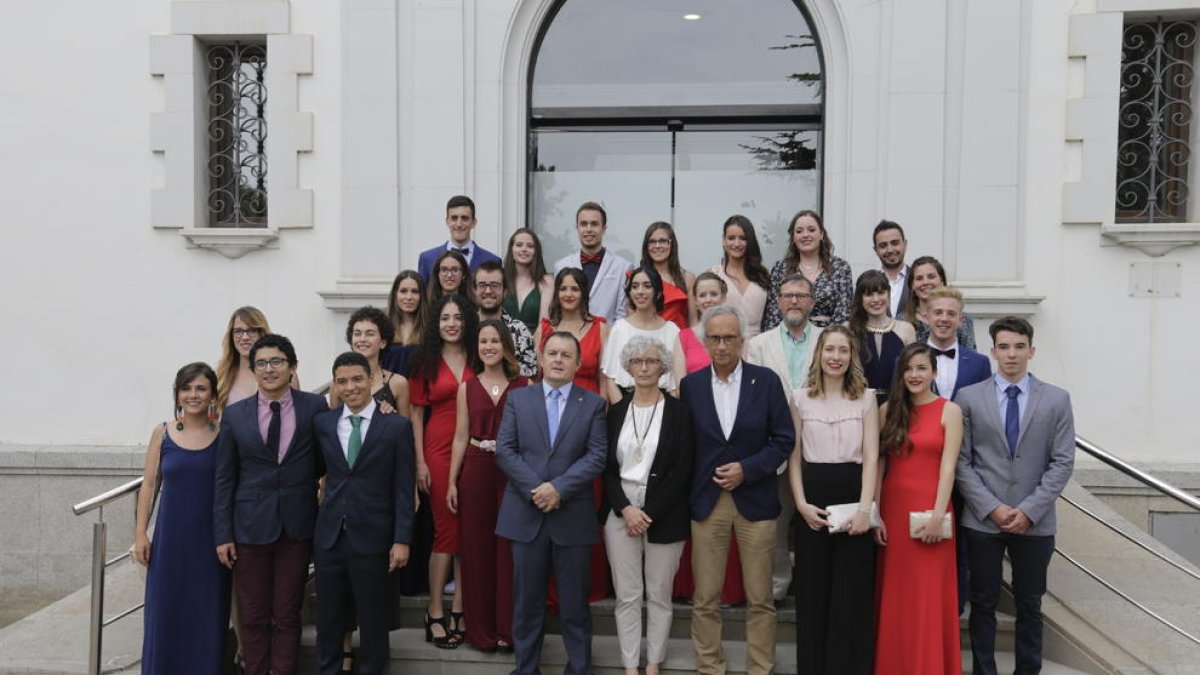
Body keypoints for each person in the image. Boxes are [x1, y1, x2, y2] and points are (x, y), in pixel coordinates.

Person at [956, 317, 1075, 675]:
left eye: (1019, 347)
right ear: (993, 351)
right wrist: (992, 507)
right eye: (1004, 347)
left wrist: (1029, 510)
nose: (1012, 354)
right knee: (983, 602)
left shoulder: (1056, 399)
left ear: (1031, 351)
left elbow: (1062, 461)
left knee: (1029, 604)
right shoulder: (969, 397)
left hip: (1035, 522)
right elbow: (961, 461)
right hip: (983, 520)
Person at [681, 306, 795, 675]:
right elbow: (685, 446)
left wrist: (747, 469)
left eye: (729, 338)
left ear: (742, 341)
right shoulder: (691, 386)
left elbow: (784, 440)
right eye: (715, 338)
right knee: (705, 596)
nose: (722, 345)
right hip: (708, 501)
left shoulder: (767, 382)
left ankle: (760, 667)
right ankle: (709, 666)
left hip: (756, 500)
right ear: (705, 341)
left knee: (760, 597)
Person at [495, 331, 608, 675]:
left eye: (566, 355)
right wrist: (538, 490)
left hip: (571, 515)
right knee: (527, 603)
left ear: (578, 363)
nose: (558, 360)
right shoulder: (518, 399)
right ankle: (526, 669)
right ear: (541, 359)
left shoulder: (593, 404)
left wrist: (558, 489)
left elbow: (597, 456)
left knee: (574, 605)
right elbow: (505, 450)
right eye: (553, 353)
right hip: (525, 514)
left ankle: (579, 668)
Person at [213, 334, 327, 675]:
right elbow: (224, 478)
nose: (269, 369)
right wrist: (223, 534)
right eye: (261, 363)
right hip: (248, 528)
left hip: (297, 525)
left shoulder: (314, 408)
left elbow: (324, 460)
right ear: (253, 369)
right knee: (254, 615)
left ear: (292, 367)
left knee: (287, 613)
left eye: (277, 361)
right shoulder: (235, 415)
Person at [313, 352, 416, 675]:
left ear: (371, 379)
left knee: (374, 621)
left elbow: (403, 488)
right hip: (330, 536)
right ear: (335, 385)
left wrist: (402, 539)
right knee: (328, 619)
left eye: (357, 379)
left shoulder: (396, 426)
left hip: (374, 536)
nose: (351, 387)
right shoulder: (323, 424)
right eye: (342, 381)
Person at [600, 336, 693, 675]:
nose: (644, 367)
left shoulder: (679, 412)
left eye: (651, 361)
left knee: (659, 594)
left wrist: (648, 512)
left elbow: (683, 469)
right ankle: (629, 665)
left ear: (663, 367)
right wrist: (626, 508)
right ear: (628, 366)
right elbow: (606, 467)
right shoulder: (616, 412)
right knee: (627, 595)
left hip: (663, 512)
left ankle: (653, 663)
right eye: (637, 361)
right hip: (621, 510)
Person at [790, 325, 880, 675]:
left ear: (852, 356)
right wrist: (800, 504)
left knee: (851, 593)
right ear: (819, 354)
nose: (836, 357)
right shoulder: (800, 398)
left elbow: (871, 458)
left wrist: (865, 509)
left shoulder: (866, 399)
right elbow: (794, 458)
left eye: (843, 350)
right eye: (830, 349)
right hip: (813, 501)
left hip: (853, 500)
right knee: (813, 593)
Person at [874, 343, 964, 675]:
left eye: (922, 368)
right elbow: (878, 464)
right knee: (897, 595)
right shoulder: (887, 410)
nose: (914, 375)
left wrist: (939, 514)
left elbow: (949, 468)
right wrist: (875, 513)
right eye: (908, 369)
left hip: (933, 511)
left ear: (934, 372)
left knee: (928, 596)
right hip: (893, 511)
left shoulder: (950, 411)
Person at [135, 362, 230, 674]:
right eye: (186, 388)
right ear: (177, 394)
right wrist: (140, 533)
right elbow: (149, 485)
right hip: (169, 543)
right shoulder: (162, 433)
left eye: (201, 388)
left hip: (210, 542)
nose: (193, 395)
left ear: (213, 395)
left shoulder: (224, 434)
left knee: (206, 614)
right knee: (166, 611)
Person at [446, 319, 528, 653]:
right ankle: (480, 632)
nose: (489, 347)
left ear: (506, 345)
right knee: (476, 550)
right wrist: (452, 481)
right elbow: (460, 436)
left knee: (509, 551)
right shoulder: (467, 387)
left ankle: (508, 630)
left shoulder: (524, 385)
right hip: (477, 469)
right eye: (483, 342)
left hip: (512, 473)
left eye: (495, 341)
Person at [743, 272, 822, 604]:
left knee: (816, 519)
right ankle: (777, 587)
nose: (794, 301)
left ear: (812, 302)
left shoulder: (829, 340)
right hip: (774, 448)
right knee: (776, 521)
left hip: (819, 449)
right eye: (788, 295)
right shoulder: (758, 345)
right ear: (777, 302)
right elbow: (751, 400)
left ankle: (811, 584)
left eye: (801, 296)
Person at [672, 270, 748, 606]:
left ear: (723, 297)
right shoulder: (684, 336)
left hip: (732, 435)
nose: (707, 299)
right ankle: (694, 588)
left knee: (733, 514)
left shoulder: (736, 334)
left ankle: (731, 591)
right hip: (699, 436)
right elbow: (679, 386)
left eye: (713, 294)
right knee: (703, 513)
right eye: (701, 295)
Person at [408, 294, 478, 649]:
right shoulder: (425, 361)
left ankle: (460, 608)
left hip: (474, 450)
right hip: (437, 450)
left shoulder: (478, 355)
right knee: (447, 531)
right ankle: (435, 610)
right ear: (436, 323)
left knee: (468, 533)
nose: (452, 324)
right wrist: (419, 461)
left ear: (467, 322)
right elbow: (416, 414)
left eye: (458, 317)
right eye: (445, 318)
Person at [601, 266, 686, 403]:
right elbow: (610, 379)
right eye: (635, 286)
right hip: (625, 402)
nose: (640, 291)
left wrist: (666, 410)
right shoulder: (619, 328)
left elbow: (675, 383)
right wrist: (623, 411)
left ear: (658, 292)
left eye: (647, 286)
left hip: (664, 403)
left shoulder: (672, 330)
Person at [764, 210, 853, 330]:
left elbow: (843, 312)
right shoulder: (781, 268)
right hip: (788, 336)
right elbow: (773, 313)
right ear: (793, 238)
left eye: (811, 230)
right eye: (799, 231)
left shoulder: (840, 268)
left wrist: (827, 338)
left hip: (828, 337)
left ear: (821, 234)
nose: (805, 235)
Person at [554, 201, 633, 323]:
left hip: (607, 334)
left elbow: (621, 315)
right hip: (569, 333)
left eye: (594, 224)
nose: (589, 229)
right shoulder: (561, 266)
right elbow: (558, 309)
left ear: (604, 229)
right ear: (577, 228)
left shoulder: (622, 267)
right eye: (583, 224)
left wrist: (607, 334)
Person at [848, 270, 916, 404]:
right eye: (869, 294)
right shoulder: (849, 329)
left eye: (880, 293)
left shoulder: (906, 329)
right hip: (857, 403)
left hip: (896, 405)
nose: (876, 299)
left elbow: (912, 370)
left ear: (888, 295)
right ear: (860, 298)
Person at [538, 267, 609, 395]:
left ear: (584, 293)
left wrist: (602, 406)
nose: (568, 294)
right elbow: (535, 377)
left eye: (575, 289)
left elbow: (605, 379)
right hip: (550, 402)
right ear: (556, 293)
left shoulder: (600, 328)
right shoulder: (544, 328)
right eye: (563, 289)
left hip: (588, 402)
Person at [330, 306, 410, 416]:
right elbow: (333, 421)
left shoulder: (398, 383)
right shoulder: (338, 383)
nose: (362, 339)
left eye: (369, 334)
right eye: (357, 334)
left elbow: (405, 424)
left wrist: (391, 417)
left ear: (383, 342)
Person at [216, 306, 299, 410]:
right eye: (238, 331)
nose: (245, 337)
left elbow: (298, 413)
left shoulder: (284, 372)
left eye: (251, 330)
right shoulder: (222, 376)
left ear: (262, 333)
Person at [472, 260, 538, 377]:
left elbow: (530, 377)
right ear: (474, 290)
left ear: (505, 291)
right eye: (482, 285)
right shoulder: (466, 327)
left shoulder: (519, 330)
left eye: (495, 285)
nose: (488, 291)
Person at [924, 286, 991, 401]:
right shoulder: (906, 360)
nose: (944, 319)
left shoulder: (980, 363)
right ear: (927, 318)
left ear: (961, 320)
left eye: (951, 314)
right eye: (938, 313)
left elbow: (986, 405)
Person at [417, 195, 502, 282]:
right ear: (447, 222)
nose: (459, 224)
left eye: (464, 218)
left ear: (474, 222)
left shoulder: (492, 260)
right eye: (454, 218)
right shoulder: (427, 258)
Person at [711, 215, 771, 337]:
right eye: (731, 238)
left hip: (759, 344)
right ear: (723, 240)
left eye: (743, 238)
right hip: (723, 343)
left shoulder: (763, 274)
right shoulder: (714, 275)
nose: (737, 244)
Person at [906, 256, 977, 350]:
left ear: (942, 281)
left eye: (931, 277)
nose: (925, 282)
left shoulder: (964, 320)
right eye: (919, 278)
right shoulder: (902, 320)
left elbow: (970, 355)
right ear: (912, 285)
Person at [639, 221, 695, 329]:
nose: (657, 246)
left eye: (663, 241)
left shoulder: (688, 278)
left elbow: (693, 322)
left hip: (679, 337)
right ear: (646, 246)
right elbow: (631, 319)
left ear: (672, 244)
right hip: (645, 337)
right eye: (652, 241)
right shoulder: (637, 278)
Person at [502, 227, 554, 335]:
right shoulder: (501, 279)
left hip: (535, 341)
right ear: (511, 250)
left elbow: (544, 324)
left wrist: (531, 344)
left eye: (530, 246)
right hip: (503, 341)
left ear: (536, 251)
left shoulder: (546, 281)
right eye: (519, 245)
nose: (524, 249)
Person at [382, 270, 426, 375]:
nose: (409, 297)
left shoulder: (429, 327)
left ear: (422, 296)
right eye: (403, 291)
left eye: (415, 291)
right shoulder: (381, 324)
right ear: (395, 294)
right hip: (385, 384)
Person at [872, 220, 910, 319]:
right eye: (883, 245)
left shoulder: (918, 280)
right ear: (876, 250)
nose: (890, 250)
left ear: (905, 244)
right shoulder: (868, 283)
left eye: (895, 243)